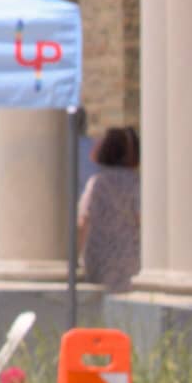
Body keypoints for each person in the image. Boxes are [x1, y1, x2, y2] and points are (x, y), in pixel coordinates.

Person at [75, 125, 141, 295]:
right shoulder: (135, 183)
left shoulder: (96, 182)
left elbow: (82, 221)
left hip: (98, 256)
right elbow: (141, 219)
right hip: (128, 257)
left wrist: (75, 256)